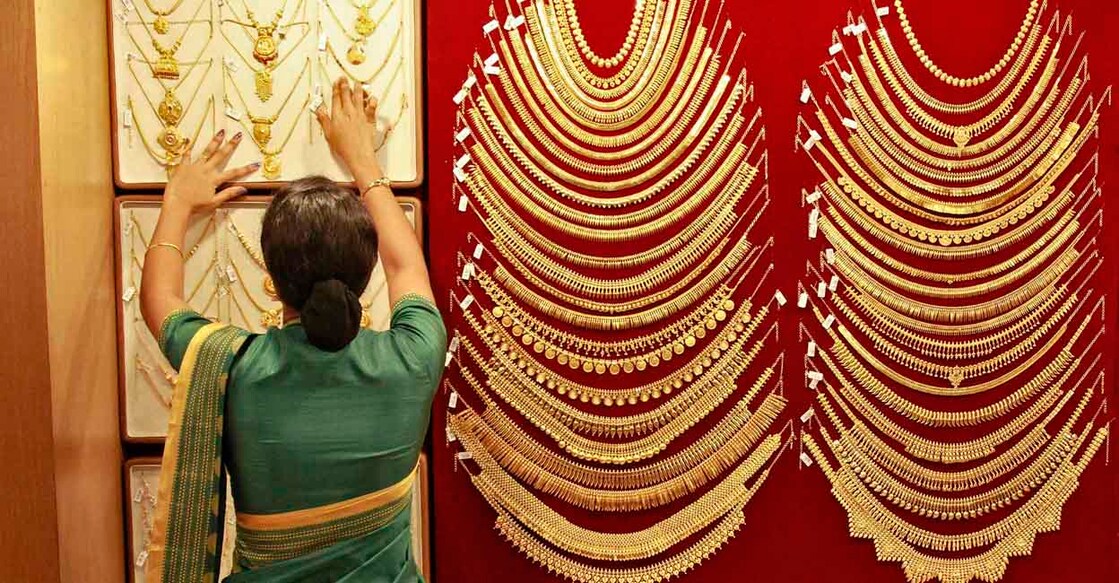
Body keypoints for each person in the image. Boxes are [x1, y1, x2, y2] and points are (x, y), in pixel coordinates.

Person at [138, 77, 447, 582]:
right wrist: (363, 162)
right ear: (365, 272)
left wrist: (176, 202)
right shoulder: (412, 358)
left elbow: (160, 303)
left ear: (272, 280)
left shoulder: (232, 365)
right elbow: (408, 267)